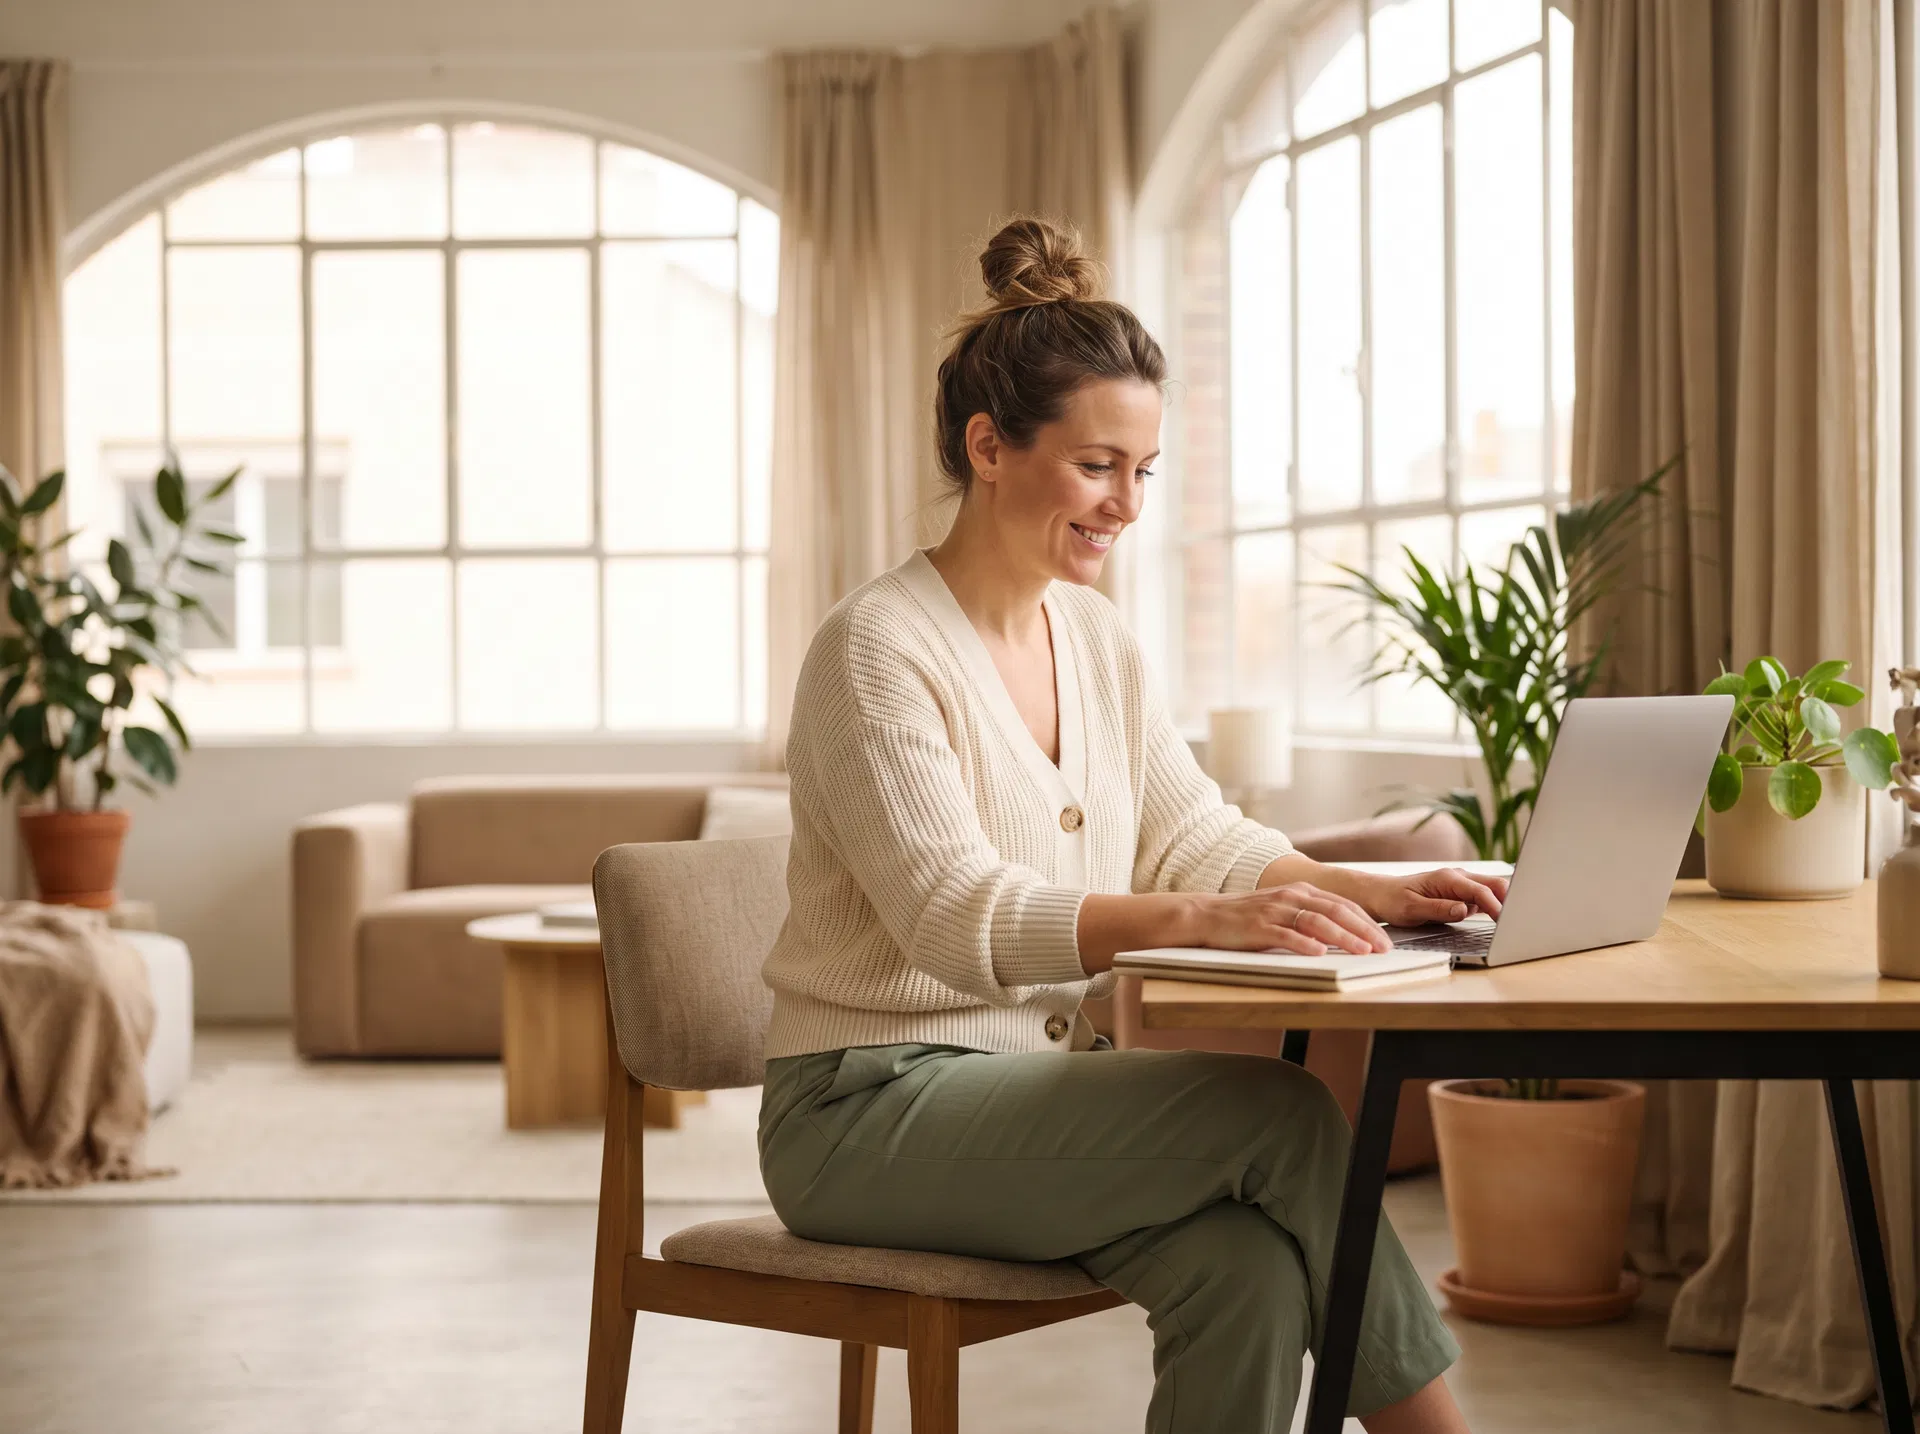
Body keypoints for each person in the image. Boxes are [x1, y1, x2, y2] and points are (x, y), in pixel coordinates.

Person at [758, 215, 1504, 1434]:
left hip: (1032, 1097)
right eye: (1099, 465)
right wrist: (1209, 918)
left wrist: (1354, 891)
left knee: (1249, 1273)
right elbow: (953, 916)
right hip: (861, 1115)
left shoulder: (1096, 638)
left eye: (1144, 471)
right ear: (988, 447)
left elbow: (1189, 827)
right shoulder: (874, 651)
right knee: (1282, 1115)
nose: (1127, 504)